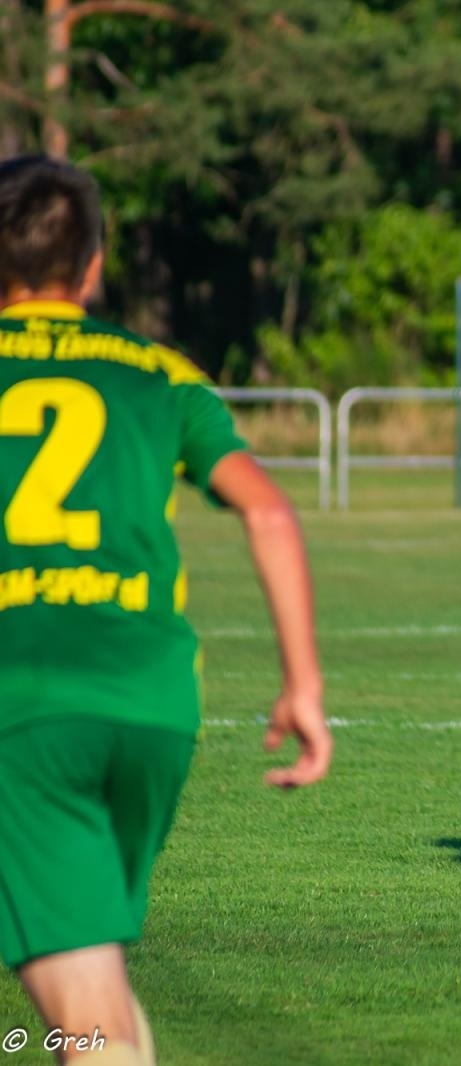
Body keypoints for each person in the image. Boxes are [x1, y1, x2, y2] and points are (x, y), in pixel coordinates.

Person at [0, 155, 331, 1066]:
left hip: (25, 705)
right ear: (95, 264)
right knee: (93, 990)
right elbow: (266, 508)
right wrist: (301, 683)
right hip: (151, 706)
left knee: (79, 1011)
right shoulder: (158, 370)